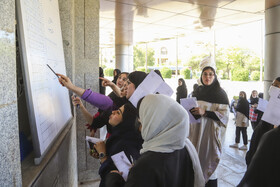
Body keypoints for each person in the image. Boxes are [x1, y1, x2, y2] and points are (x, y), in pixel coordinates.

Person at [105, 94, 205, 187]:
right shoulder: (185, 146)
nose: (140, 125)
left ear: (155, 123)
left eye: (143, 118)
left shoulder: (146, 164)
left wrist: (113, 178)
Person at [189, 66, 229, 186]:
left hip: (210, 135)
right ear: (201, 76)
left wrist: (205, 112)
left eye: (211, 74)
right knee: (195, 164)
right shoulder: (197, 91)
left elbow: (225, 116)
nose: (207, 77)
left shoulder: (221, 94)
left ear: (215, 76)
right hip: (195, 133)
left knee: (209, 165)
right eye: (205, 74)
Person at [93, 103, 143, 187]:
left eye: (118, 113)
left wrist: (103, 155)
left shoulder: (124, 144)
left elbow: (112, 176)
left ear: (127, 121)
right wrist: (102, 152)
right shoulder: (120, 136)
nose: (113, 112)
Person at [245, 77, 280, 166]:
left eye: (276, 86)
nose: (272, 87)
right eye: (272, 84)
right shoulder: (269, 104)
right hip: (255, 150)